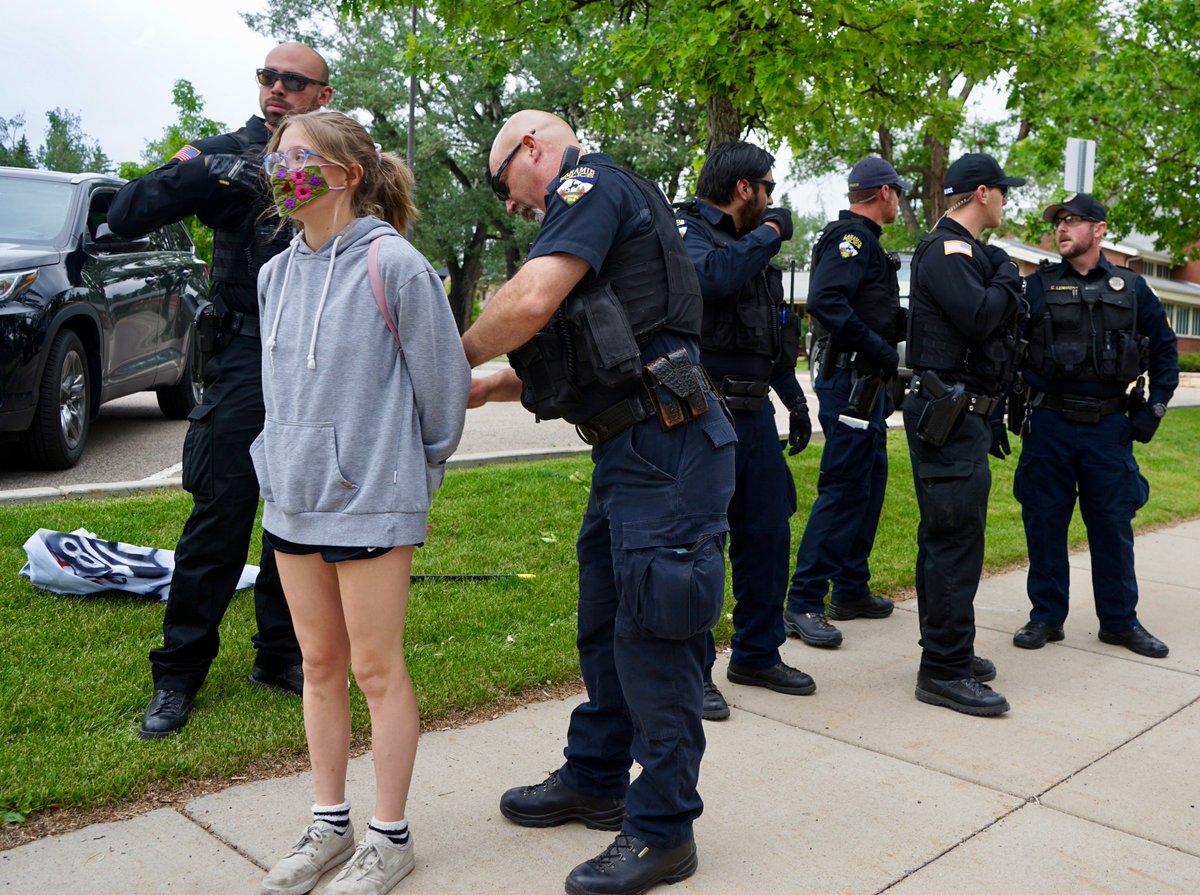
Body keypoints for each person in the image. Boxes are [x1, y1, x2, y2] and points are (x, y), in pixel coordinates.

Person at [466, 110, 736, 895]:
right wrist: (489, 386)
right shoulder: (605, 211)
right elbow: (609, 352)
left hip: (669, 449)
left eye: (503, 184)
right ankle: (596, 776)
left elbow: (527, 304)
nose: (511, 206)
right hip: (635, 446)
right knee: (605, 624)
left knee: (658, 636)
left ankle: (663, 829)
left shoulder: (589, 185)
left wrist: (446, 357)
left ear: (534, 148)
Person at [255, 111, 469, 895]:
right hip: (291, 501)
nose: (283, 170)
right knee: (318, 663)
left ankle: (389, 836)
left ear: (346, 171)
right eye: (277, 158)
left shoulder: (396, 265)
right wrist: (275, 466)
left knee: (377, 669)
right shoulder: (273, 275)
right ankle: (329, 822)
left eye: (300, 157)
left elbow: (443, 392)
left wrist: (413, 478)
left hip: (372, 501)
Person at [109, 43, 334, 739]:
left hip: (315, 361)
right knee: (221, 516)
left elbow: (347, 224)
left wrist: (279, 173)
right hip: (244, 354)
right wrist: (205, 171)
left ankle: (279, 654)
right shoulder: (221, 153)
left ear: (322, 95)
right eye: (267, 77)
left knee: (299, 517)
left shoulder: (333, 162)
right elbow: (125, 212)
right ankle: (178, 674)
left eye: (292, 81)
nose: (275, 88)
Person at [675, 141, 814, 722]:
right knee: (703, 544)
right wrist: (770, 235)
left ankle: (757, 653)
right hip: (702, 416)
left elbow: (770, 343)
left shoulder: (754, 252)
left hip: (756, 417)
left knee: (767, 533)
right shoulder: (688, 233)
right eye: (768, 190)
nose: (773, 202)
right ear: (743, 190)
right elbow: (711, 281)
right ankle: (694, 671)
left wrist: (796, 402)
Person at [1011, 194, 1178, 657]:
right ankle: (1045, 617)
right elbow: (1009, 351)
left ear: (1099, 230)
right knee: (1044, 522)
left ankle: (1120, 621)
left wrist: (1153, 412)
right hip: (1048, 424)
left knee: (1111, 525)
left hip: (1109, 427)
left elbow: (1165, 353)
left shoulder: (1132, 288)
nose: (1061, 229)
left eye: (1072, 221)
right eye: (1058, 222)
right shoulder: (1037, 288)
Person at [903, 152, 1025, 717]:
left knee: (949, 538)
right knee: (954, 541)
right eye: (1002, 192)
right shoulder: (951, 249)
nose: (1005, 201)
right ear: (982, 193)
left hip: (961, 416)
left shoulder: (962, 250)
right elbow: (979, 317)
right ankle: (945, 670)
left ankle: (947, 650)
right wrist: (1005, 274)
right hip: (948, 417)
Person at [783, 158, 909, 649]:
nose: (900, 199)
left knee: (869, 482)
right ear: (883, 193)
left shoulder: (870, 244)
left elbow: (869, 309)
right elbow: (826, 302)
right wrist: (880, 348)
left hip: (868, 385)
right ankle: (804, 600)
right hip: (850, 381)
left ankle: (851, 589)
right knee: (842, 487)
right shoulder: (850, 240)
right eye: (897, 191)